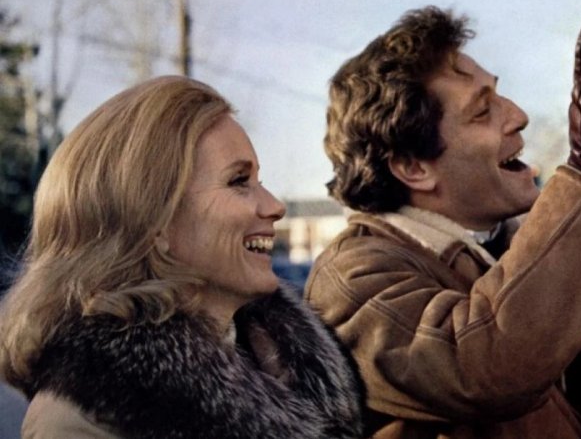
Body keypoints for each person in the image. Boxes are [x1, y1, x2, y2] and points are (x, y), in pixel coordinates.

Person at [306, 0, 581, 438]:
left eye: (499, 94)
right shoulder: (353, 278)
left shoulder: (507, 242)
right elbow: (482, 367)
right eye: (482, 110)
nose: (517, 116)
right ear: (414, 167)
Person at [0, 76, 364, 438]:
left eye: (259, 181)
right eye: (239, 181)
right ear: (154, 222)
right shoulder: (78, 422)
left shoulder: (280, 361)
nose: (275, 206)